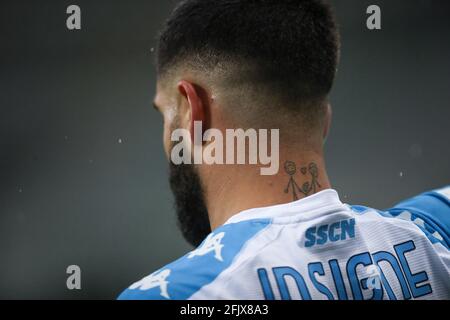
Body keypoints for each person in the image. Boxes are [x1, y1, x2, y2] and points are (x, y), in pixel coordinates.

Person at [118, 0, 450, 300]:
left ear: (193, 111)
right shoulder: (433, 236)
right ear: (325, 120)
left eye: (165, 115)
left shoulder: (177, 292)